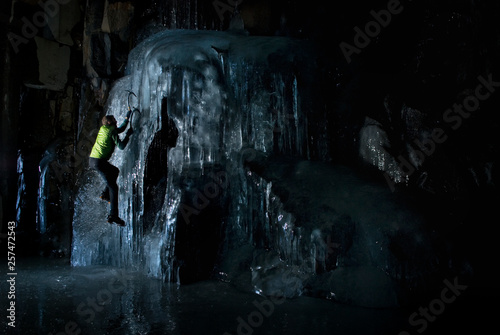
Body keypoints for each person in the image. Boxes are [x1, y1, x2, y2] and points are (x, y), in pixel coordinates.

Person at [89, 112, 134, 226]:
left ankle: (105, 194)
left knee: (115, 171)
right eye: (114, 120)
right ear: (109, 122)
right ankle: (113, 215)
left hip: (93, 160)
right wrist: (128, 135)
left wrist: (127, 117)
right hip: (99, 162)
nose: (116, 121)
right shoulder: (111, 130)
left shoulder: (104, 129)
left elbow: (120, 129)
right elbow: (121, 146)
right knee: (113, 187)